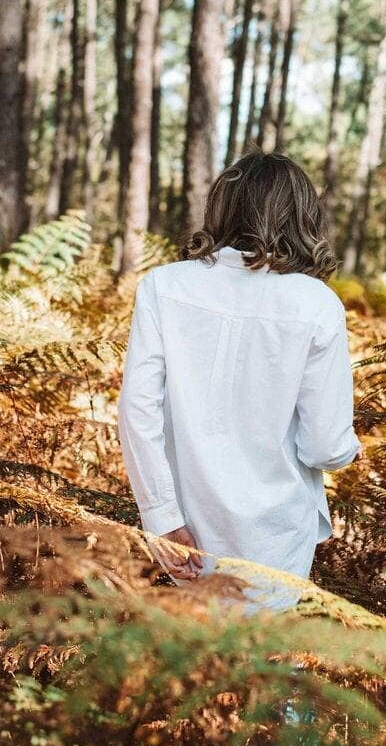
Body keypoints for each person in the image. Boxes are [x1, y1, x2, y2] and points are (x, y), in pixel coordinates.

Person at [117, 150, 361, 610]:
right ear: (302, 215)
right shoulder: (316, 304)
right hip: (278, 539)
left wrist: (161, 517)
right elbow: (326, 448)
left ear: (223, 206)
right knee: (266, 671)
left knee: (190, 668)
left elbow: (138, 412)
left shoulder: (164, 286)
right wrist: (352, 449)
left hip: (186, 530)